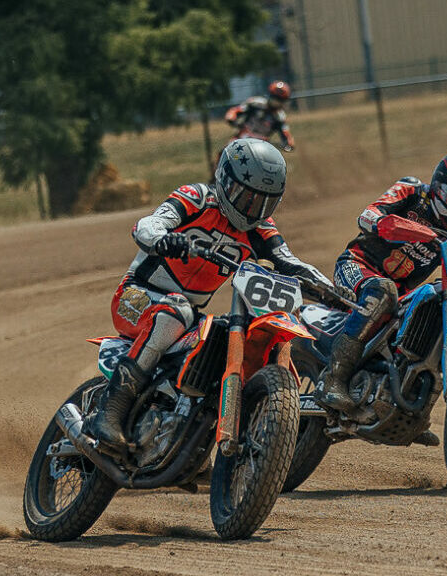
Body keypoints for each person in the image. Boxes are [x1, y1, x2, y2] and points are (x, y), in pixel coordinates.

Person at [88, 136, 328, 452]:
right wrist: (163, 239)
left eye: (264, 202)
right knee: (176, 312)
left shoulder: (260, 228)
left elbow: (289, 261)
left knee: (222, 337)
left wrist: (331, 291)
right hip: (136, 297)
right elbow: (148, 224)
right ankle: (111, 410)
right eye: (246, 196)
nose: (252, 208)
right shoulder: (197, 198)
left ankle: (191, 439)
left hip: (187, 314)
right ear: (226, 180)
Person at [318, 149, 447, 411]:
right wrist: (383, 223)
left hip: (402, 293)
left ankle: (410, 403)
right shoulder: (412, 191)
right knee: (383, 291)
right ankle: (334, 379)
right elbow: (367, 215)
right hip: (358, 266)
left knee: (429, 308)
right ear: (441, 187)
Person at [224, 80, 296, 151]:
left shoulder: (279, 117)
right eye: (275, 98)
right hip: (241, 138)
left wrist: (289, 144)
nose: (277, 102)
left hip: (262, 146)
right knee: (225, 151)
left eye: (280, 100)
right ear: (270, 95)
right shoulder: (255, 103)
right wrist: (231, 117)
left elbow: (286, 134)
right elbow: (236, 110)